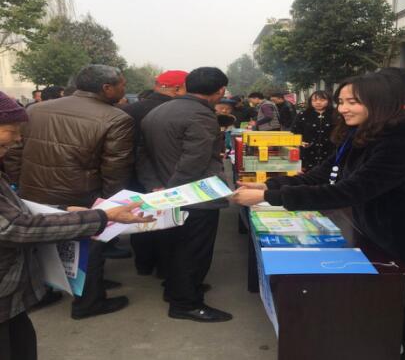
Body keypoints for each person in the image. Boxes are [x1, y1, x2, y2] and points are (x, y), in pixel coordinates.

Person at [232, 72, 405, 360]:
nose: (343, 108)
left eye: (353, 102)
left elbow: (351, 190)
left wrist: (269, 198)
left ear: (379, 101)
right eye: (341, 101)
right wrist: (270, 185)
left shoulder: (402, 141)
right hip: (375, 229)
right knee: (387, 306)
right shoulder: (363, 132)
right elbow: (326, 173)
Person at [0, 90, 154, 360]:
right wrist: (103, 216)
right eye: (10, 132)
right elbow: (15, 227)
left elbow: (11, 209)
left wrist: (63, 210)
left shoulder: (40, 112)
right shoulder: (114, 118)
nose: (17, 140)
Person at [4, 64, 135, 320]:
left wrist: (19, 184)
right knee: (89, 248)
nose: (124, 88)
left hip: (33, 189)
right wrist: (110, 205)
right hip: (81, 193)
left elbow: (14, 152)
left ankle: (44, 293)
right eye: (122, 84)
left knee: (42, 246)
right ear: (106, 88)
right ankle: (89, 302)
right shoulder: (117, 118)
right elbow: (115, 168)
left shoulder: (36, 109)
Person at [138, 67, 232, 322]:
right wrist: (173, 192)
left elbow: (142, 154)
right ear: (221, 91)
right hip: (194, 196)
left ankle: (178, 289)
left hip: (164, 190)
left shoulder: (157, 111)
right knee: (193, 251)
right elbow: (194, 160)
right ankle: (186, 303)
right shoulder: (201, 115)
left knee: (175, 248)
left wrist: (156, 186)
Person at [122, 70, 188, 277]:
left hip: (134, 175)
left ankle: (143, 264)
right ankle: (166, 270)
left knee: (139, 219)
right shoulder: (179, 111)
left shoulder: (128, 110)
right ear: (177, 89)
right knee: (168, 225)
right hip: (169, 176)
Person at [291, 91, 336, 171]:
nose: (318, 102)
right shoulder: (303, 115)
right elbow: (295, 131)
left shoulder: (336, 115)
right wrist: (300, 142)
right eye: (314, 100)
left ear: (328, 101)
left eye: (322, 100)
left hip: (330, 150)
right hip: (308, 152)